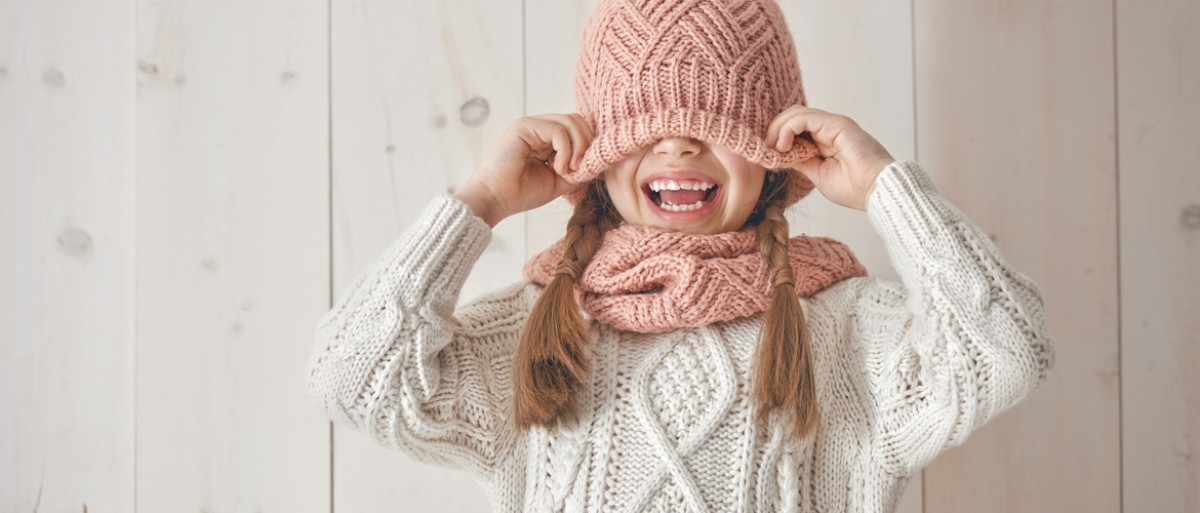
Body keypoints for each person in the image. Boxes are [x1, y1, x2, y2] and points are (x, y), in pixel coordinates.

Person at [304, 0, 1055, 511]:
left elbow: (1007, 347)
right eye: (641, 127)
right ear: (595, 157)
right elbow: (351, 373)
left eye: (715, 121)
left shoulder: (845, 329)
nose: (677, 143)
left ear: (775, 150)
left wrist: (889, 188)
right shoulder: (542, 331)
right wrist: (481, 201)